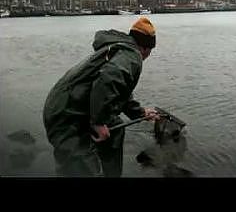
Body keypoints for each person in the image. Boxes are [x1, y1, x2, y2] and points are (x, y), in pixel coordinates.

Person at [43, 16, 159, 177]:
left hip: (76, 106)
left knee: (115, 130)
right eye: (150, 51)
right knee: (80, 168)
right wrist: (98, 122)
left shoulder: (119, 49)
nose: (148, 56)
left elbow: (119, 89)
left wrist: (139, 112)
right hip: (65, 114)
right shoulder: (132, 56)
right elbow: (108, 80)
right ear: (146, 48)